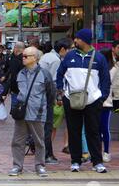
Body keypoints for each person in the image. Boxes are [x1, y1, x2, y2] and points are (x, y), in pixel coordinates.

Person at [56, 29, 111, 173]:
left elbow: (106, 79)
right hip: (71, 99)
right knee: (74, 131)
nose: (75, 41)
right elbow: (59, 74)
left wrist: (102, 97)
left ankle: (97, 162)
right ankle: (75, 161)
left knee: (93, 132)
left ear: (84, 40)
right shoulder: (69, 56)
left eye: (77, 39)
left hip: (93, 101)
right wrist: (62, 92)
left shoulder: (99, 58)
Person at [9, 47, 55, 177]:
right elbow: (16, 90)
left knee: (39, 141)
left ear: (35, 58)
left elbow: (51, 93)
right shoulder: (20, 73)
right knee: (17, 141)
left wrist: (44, 107)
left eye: (26, 56)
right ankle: (17, 166)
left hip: (38, 112)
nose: (23, 58)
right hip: (22, 113)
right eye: (23, 56)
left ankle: (39, 165)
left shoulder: (45, 74)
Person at [39, 38, 73, 164]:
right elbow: (53, 81)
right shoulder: (56, 60)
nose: (71, 51)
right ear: (63, 49)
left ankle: (46, 153)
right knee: (48, 126)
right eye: (70, 49)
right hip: (47, 96)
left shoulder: (47, 56)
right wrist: (58, 98)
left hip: (42, 95)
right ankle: (47, 154)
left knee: (47, 126)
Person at [5, 42, 25, 108]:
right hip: (22, 87)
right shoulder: (25, 58)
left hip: (16, 86)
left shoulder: (14, 59)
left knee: (16, 107)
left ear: (16, 49)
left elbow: (12, 72)